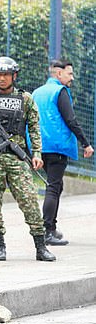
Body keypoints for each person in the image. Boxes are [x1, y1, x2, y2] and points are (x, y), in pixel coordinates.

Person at [0, 56, 56, 262]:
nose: (1, 79)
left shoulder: (25, 99)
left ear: (14, 76)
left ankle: (40, 245)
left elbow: (34, 127)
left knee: (29, 200)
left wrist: (37, 153)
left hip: (17, 159)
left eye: (5, 75)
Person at [32, 59, 94, 246]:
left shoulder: (37, 92)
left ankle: (51, 227)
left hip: (39, 147)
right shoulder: (60, 91)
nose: (72, 78)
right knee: (53, 187)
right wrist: (86, 143)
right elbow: (71, 120)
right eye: (70, 74)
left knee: (56, 187)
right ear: (58, 74)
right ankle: (47, 231)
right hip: (57, 146)